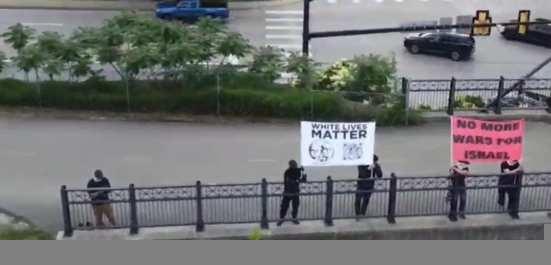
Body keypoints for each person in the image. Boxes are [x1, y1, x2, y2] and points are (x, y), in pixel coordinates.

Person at [277, 160, 307, 226]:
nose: (295, 165)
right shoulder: (287, 172)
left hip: (295, 192)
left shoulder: (298, 171)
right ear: (290, 165)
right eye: (293, 164)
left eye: (295, 164)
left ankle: (294, 218)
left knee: (295, 206)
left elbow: (300, 180)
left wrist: (303, 178)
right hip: (288, 192)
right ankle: (281, 219)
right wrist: (298, 180)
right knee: (284, 206)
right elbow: (291, 181)